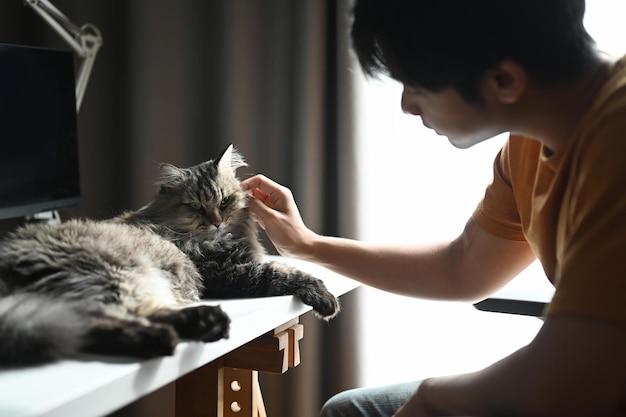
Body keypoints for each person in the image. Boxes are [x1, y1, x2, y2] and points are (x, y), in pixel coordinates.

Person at [240, 0, 626, 415]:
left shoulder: (616, 138)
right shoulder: (527, 143)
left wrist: (434, 399)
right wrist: (307, 245)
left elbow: (575, 376)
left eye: (417, 85)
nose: (408, 105)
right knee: (350, 411)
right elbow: (464, 267)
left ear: (504, 80)